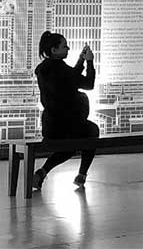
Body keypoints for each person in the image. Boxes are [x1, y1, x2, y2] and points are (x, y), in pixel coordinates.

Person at [32, 30, 99, 191]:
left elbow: (71, 79)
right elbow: (87, 83)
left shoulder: (43, 69)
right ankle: (82, 174)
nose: (68, 49)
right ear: (54, 50)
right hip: (69, 125)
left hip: (51, 126)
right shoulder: (61, 70)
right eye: (64, 46)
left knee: (68, 148)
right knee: (92, 131)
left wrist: (80, 60)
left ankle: (42, 172)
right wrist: (89, 62)